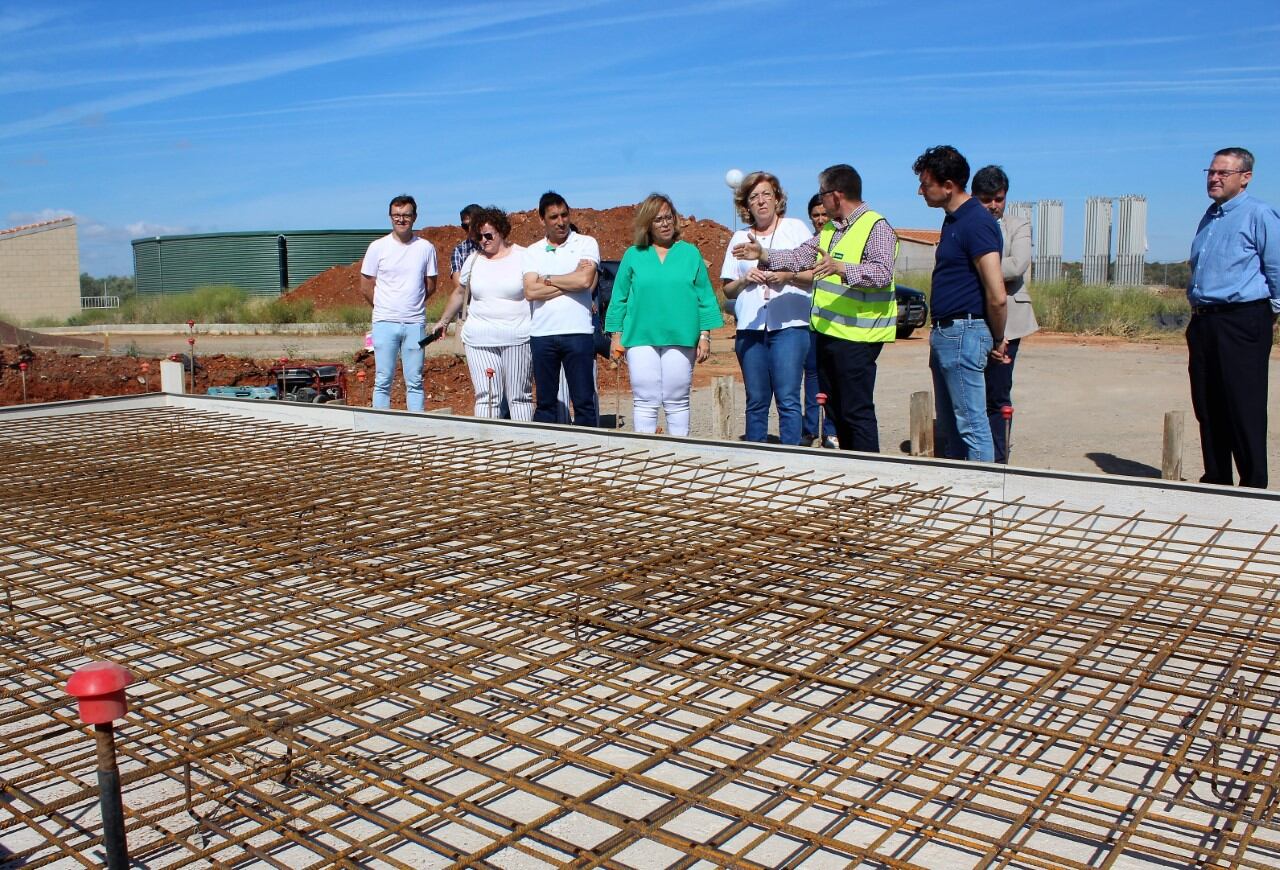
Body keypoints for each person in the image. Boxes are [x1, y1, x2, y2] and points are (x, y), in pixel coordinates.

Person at [733, 164, 897, 453]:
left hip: (860, 337)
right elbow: (800, 256)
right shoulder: (833, 228)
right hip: (829, 334)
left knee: (856, 411)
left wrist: (841, 268)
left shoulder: (876, 226)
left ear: (837, 194)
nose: (820, 201)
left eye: (822, 194)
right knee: (836, 410)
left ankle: (870, 473)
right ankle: (850, 468)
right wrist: (764, 254)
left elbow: (882, 273)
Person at [1186, 146, 1280, 488]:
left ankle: (1253, 485)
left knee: (1243, 404)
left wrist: (1271, 311)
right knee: (1208, 404)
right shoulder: (1210, 217)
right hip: (1204, 321)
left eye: (1223, 173)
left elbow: (1277, 268)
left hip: (1243, 319)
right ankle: (1217, 478)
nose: (1214, 178)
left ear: (1245, 178)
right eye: (1211, 172)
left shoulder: (1259, 214)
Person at [912, 145, 1007, 462]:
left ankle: (984, 502)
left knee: (972, 427)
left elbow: (997, 293)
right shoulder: (954, 220)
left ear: (948, 185)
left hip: (964, 332)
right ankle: (959, 499)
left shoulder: (976, 222)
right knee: (953, 429)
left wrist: (997, 337)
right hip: (948, 333)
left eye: (926, 184)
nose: (920, 191)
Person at [606, 194, 724, 436]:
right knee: (645, 399)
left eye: (669, 217)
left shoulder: (690, 254)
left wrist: (705, 336)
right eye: (658, 219)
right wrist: (615, 335)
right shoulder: (633, 255)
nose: (665, 223)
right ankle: (646, 457)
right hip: (640, 336)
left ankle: (678, 459)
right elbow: (619, 297)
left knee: (677, 398)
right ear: (648, 223)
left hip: (681, 336)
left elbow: (705, 297)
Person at [720, 172, 814, 444]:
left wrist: (787, 276)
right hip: (750, 328)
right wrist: (744, 279)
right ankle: (756, 460)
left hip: (789, 327)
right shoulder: (739, 237)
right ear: (746, 205)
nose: (760, 201)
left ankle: (793, 459)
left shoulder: (795, 228)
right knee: (756, 400)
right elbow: (728, 289)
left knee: (788, 399)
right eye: (753, 197)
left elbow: (813, 275)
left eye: (766, 194)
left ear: (777, 198)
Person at [431, 207, 533, 420]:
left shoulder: (524, 256)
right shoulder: (473, 260)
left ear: (502, 231)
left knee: (518, 397)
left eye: (489, 235)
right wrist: (444, 321)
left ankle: (522, 447)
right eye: (479, 237)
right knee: (486, 396)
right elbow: (460, 292)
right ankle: (488, 447)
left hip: (517, 337)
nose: (484, 241)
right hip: (479, 338)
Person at [973, 165, 1038, 464]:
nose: (994, 206)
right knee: (972, 393)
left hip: (1009, 323)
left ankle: (999, 458)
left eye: (999, 199)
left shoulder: (1018, 224)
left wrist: (978, 267)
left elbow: (1018, 265)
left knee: (998, 392)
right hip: (972, 321)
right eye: (987, 199)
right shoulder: (964, 223)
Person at [522, 192, 600, 427]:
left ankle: (587, 453)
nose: (561, 221)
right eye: (554, 216)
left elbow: (585, 281)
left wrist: (546, 278)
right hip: (542, 335)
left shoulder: (586, 243)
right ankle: (545, 454)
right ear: (542, 220)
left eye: (564, 215)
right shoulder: (532, 251)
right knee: (545, 403)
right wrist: (569, 282)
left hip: (578, 333)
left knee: (584, 401)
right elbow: (530, 292)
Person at [360, 194, 438, 412]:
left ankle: (415, 429)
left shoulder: (425, 248)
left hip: (414, 324)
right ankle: (381, 429)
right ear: (390, 217)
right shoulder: (378, 247)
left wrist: (412, 305)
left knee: (414, 381)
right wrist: (384, 307)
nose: (401, 220)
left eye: (406, 215)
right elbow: (366, 285)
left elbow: (430, 285)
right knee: (383, 380)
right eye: (396, 215)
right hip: (385, 323)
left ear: (414, 217)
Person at [802, 193, 838, 448]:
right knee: (812, 375)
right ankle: (809, 430)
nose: (820, 219)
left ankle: (832, 431)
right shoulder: (807, 247)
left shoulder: (838, 243)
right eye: (815, 215)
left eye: (824, 214)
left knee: (834, 377)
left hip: (836, 320)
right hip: (811, 322)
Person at [450, 204, 483, 275]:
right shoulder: (459, 251)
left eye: (473, 224)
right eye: (465, 226)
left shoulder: (494, 246)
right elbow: (458, 283)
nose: (470, 230)